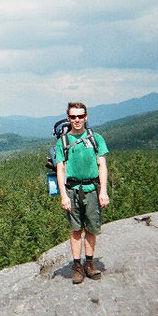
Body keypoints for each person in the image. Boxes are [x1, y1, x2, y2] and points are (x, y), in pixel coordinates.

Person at [55, 102, 110, 284]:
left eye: (80, 116)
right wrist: (63, 196)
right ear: (68, 118)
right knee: (76, 230)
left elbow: (102, 166)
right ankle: (77, 266)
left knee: (91, 228)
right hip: (72, 190)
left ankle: (89, 263)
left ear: (86, 117)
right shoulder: (62, 142)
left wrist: (103, 191)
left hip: (92, 189)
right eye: (73, 117)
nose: (77, 120)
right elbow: (60, 169)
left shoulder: (96, 138)